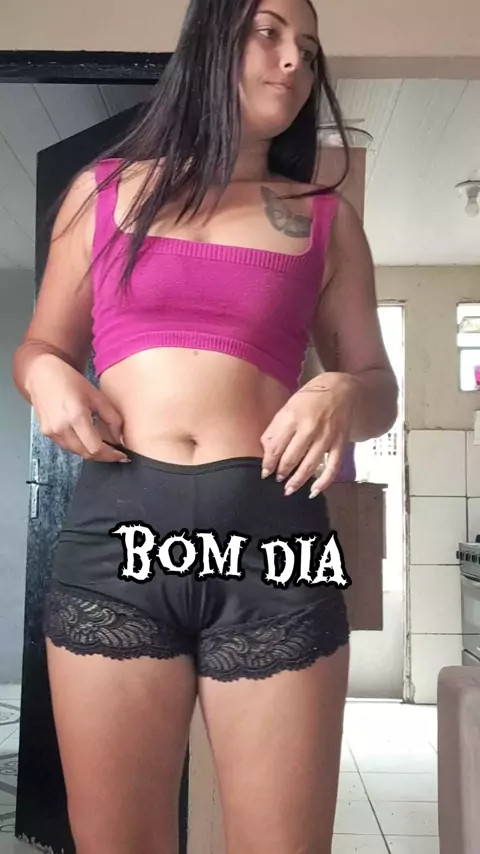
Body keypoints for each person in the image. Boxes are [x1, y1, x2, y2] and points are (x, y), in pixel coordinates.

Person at [13, 0, 398, 851]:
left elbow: (380, 388)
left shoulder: (323, 218)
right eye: (269, 32)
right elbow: (41, 345)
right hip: (117, 547)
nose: (294, 61)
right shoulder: (104, 192)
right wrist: (44, 376)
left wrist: (342, 390)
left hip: (275, 550)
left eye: (308, 49)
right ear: (212, 40)